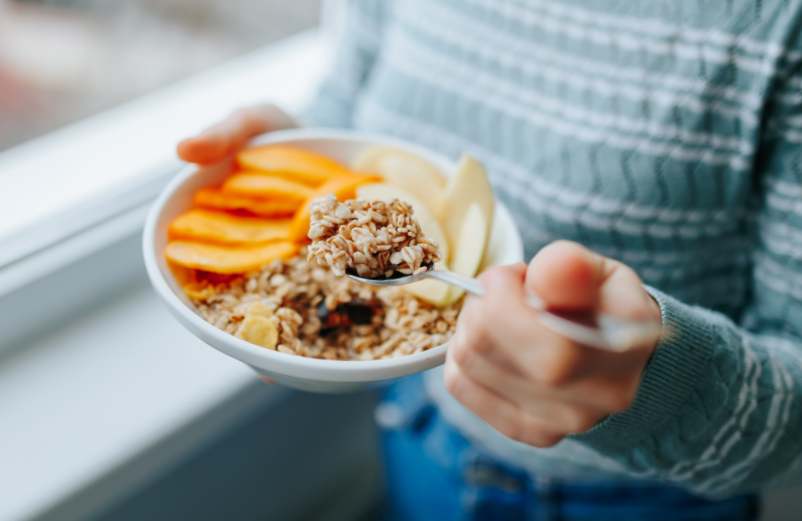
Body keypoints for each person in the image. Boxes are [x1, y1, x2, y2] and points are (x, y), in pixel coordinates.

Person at [177, 1, 802, 519]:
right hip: (418, 432)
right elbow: (352, 116)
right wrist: (288, 159)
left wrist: (648, 383)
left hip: (634, 502)